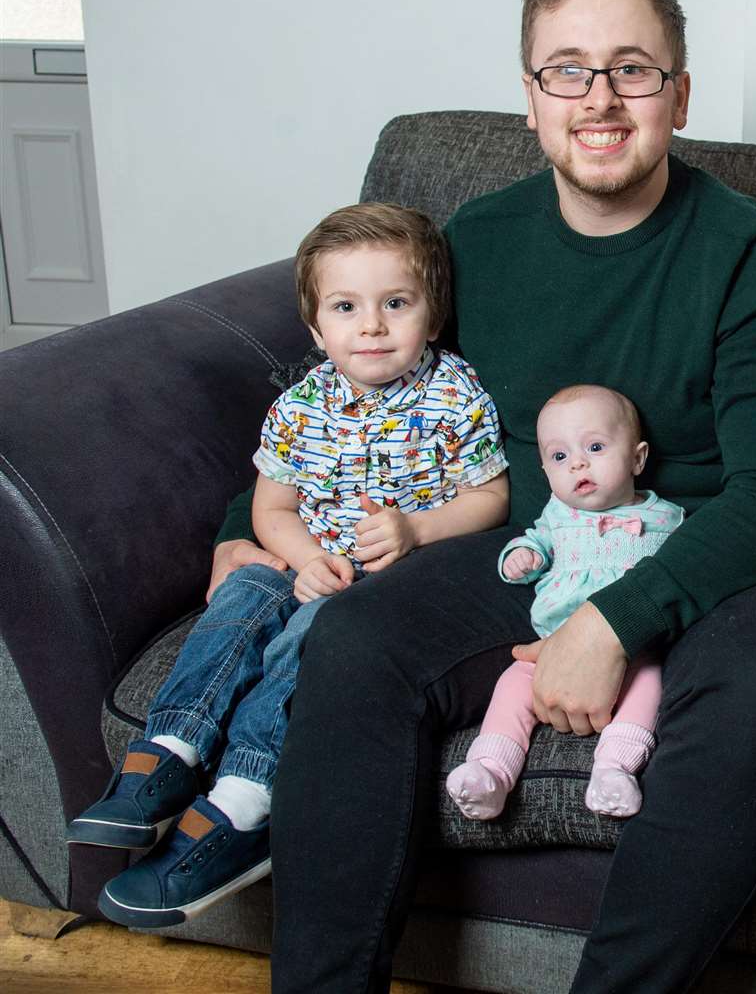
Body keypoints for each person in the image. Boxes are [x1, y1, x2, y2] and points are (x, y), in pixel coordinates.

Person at [206, 0, 756, 993]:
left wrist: (613, 621)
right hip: (519, 543)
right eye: (567, 70)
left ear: (678, 94)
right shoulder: (477, 241)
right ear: (531, 100)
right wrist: (243, 519)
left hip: (703, 548)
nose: (600, 98)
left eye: (633, 68)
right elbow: (372, 390)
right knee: (358, 639)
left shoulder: (747, 250)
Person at [71, 202, 510, 928]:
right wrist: (302, 559)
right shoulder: (301, 408)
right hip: (308, 561)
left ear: (432, 318)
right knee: (245, 591)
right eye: (346, 307)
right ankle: (169, 749)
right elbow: (272, 510)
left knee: (317, 634)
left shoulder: (454, 394)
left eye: (395, 304)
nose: (371, 326)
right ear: (315, 327)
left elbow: (490, 495)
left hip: (390, 578)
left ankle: (244, 801)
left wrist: (416, 528)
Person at [447, 385, 683, 820]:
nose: (577, 462)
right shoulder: (557, 515)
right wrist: (523, 557)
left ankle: (615, 769)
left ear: (637, 457)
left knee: (649, 685)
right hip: (551, 648)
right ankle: (490, 771)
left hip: (636, 649)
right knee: (512, 686)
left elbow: (688, 569)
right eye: (559, 457)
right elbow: (534, 543)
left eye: (595, 447)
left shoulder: (668, 518)